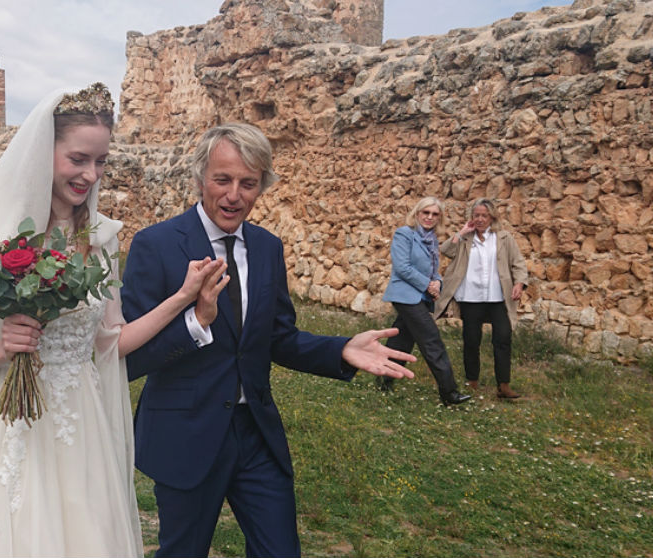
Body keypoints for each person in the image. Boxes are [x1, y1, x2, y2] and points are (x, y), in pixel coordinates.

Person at [0, 83, 227, 558]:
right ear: (46, 152)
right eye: (79, 159)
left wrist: (182, 298)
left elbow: (110, 343)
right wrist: (4, 347)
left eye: (101, 162)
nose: (90, 174)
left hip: (78, 424)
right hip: (1, 421)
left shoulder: (101, 240)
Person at [120, 122, 417, 558]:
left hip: (256, 435)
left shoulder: (267, 247)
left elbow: (278, 337)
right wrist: (196, 323)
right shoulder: (156, 245)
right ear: (201, 176)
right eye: (222, 180)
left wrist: (341, 350)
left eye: (248, 183)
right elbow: (131, 358)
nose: (234, 195)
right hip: (186, 432)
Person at [379, 196, 471, 406]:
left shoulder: (432, 240)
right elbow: (402, 268)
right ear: (417, 214)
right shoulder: (404, 234)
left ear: (439, 218)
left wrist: (437, 282)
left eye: (434, 214)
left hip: (421, 297)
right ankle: (449, 393)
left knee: (401, 341)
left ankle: (384, 380)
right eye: (426, 213)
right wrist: (427, 284)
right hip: (405, 296)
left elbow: (434, 271)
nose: (429, 217)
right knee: (431, 340)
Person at [434, 198, 528, 399]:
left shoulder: (504, 238)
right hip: (471, 298)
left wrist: (519, 283)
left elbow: (518, 263)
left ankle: (503, 385)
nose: (480, 219)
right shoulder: (466, 239)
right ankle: (472, 382)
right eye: (476, 215)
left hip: (497, 297)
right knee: (471, 340)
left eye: (484, 215)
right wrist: (461, 233)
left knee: (503, 339)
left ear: (492, 217)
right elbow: (444, 251)